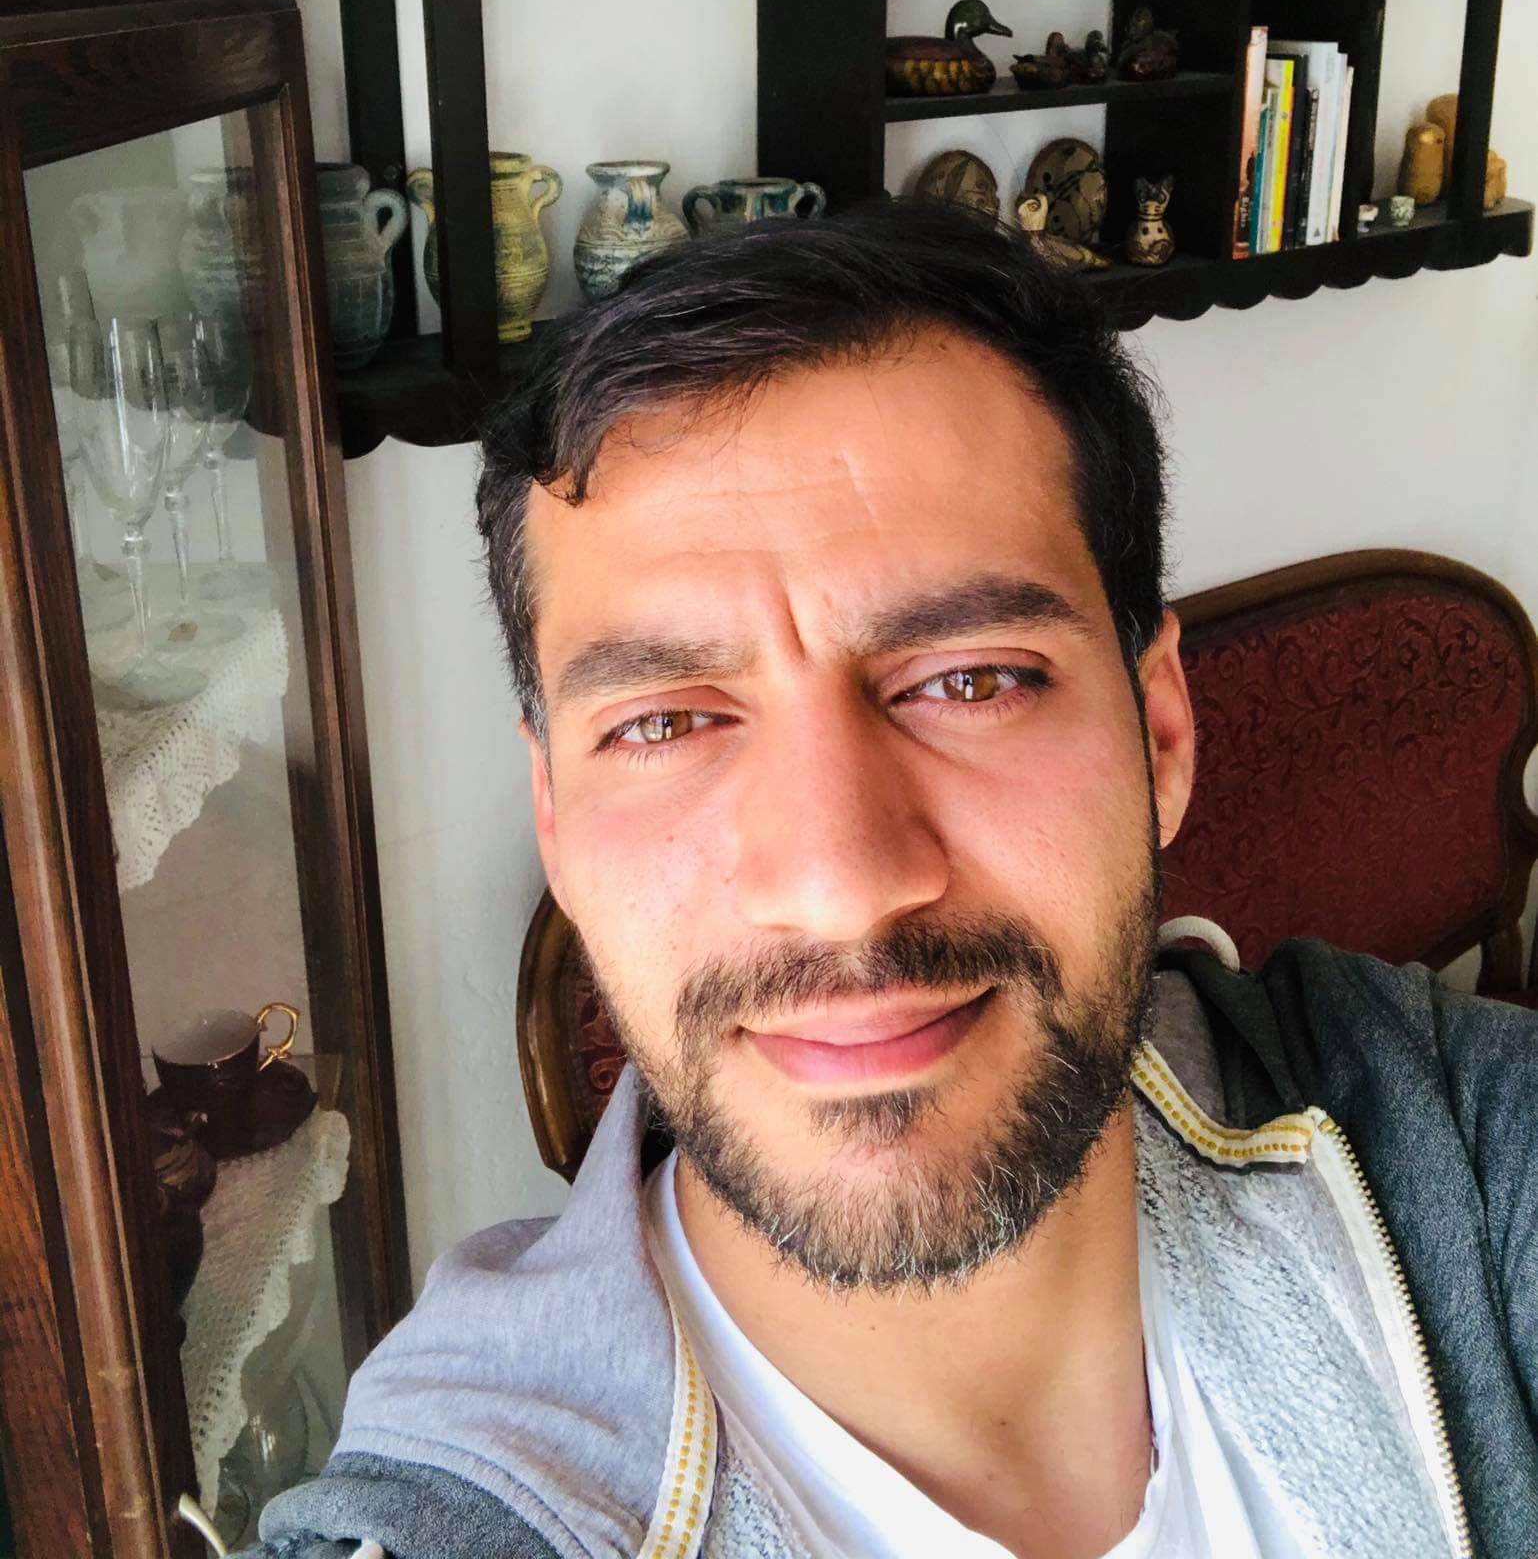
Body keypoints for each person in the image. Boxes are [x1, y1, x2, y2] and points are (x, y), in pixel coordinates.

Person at [257, 204, 1538, 1559]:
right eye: (665, 721)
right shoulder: (450, 1520)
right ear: (557, 825)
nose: (841, 886)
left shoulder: (1452, 1148)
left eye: (970, 681)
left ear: (1161, 733)